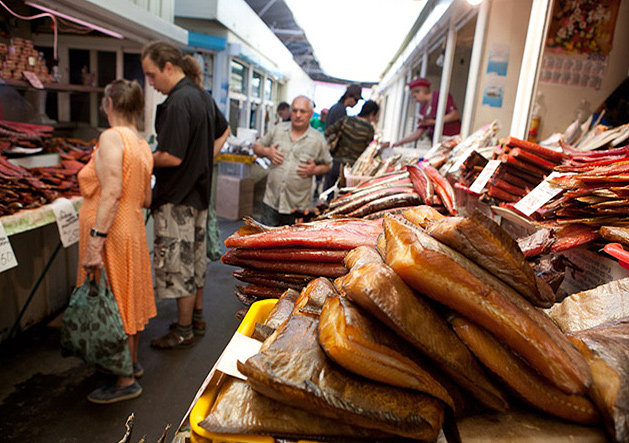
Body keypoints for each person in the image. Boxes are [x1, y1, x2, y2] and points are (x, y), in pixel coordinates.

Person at [141, 41, 228, 349]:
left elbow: (172, 156)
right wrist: (207, 156)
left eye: (152, 75)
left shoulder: (178, 102)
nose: (151, 83)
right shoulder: (202, 97)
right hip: (199, 196)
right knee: (195, 263)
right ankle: (197, 317)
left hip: (177, 198)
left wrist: (142, 157)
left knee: (179, 270)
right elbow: (225, 129)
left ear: (168, 67)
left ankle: (183, 329)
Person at [77, 79, 155, 404]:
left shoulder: (111, 137)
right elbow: (147, 197)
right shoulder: (142, 143)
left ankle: (124, 381)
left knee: (114, 300)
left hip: (111, 232)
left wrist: (95, 242)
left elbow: (111, 191)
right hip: (132, 228)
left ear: (109, 102)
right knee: (127, 296)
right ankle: (131, 364)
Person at [254, 95, 332, 226]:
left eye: (302, 111)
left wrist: (315, 170)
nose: (298, 115)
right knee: (265, 241)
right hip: (271, 201)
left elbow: (328, 164)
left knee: (290, 244)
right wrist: (266, 152)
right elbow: (256, 147)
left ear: (311, 114)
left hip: (297, 206)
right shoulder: (277, 129)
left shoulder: (318, 139)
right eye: (294, 110)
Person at [182, 56, 231, 261]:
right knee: (201, 223)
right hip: (200, 179)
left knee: (194, 233)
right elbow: (226, 129)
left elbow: (225, 128)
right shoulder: (204, 98)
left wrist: (208, 154)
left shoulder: (193, 100)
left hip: (191, 183)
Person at [323, 99, 380, 191]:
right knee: (341, 198)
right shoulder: (369, 129)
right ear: (371, 113)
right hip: (351, 170)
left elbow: (328, 132)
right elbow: (368, 152)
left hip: (335, 163)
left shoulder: (346, 120)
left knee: (327, 194)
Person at [392, 77, 461, 147]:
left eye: (415, 96)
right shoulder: (423, 108)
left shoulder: (440, 96)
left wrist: (433, 122)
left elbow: (455, 115)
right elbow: (418, 133)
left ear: (421, 91)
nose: (415, 100)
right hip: (438, 142)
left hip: (451, 139)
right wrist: (400, 142)